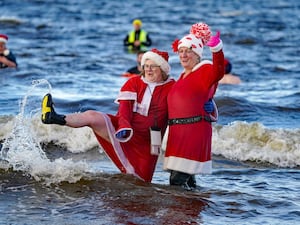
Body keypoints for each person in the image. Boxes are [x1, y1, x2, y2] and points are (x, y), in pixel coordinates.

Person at [41, 48, 175, 183]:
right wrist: (124, 128)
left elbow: (181, 111)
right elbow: (124, 110)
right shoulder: (134, 82)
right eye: (146, 66)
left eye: (153, 66)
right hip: (126, 132)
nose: (148, 70)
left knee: (142, 182)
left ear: (163, 69)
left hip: (150, 141)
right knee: (92, 116)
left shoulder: (172, 87)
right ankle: (55, 117)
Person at [163, 22, 225, 190]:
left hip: (192, 133)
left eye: (188, 51)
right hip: (178, 135)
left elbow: (219, 71)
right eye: (181, 51)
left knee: (176, 181)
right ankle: (192, 209)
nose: (183, 55)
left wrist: (216, 49)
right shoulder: (182, 76)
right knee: (187, 179)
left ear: (197, 54)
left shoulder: (205, 69)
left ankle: (177, 214)